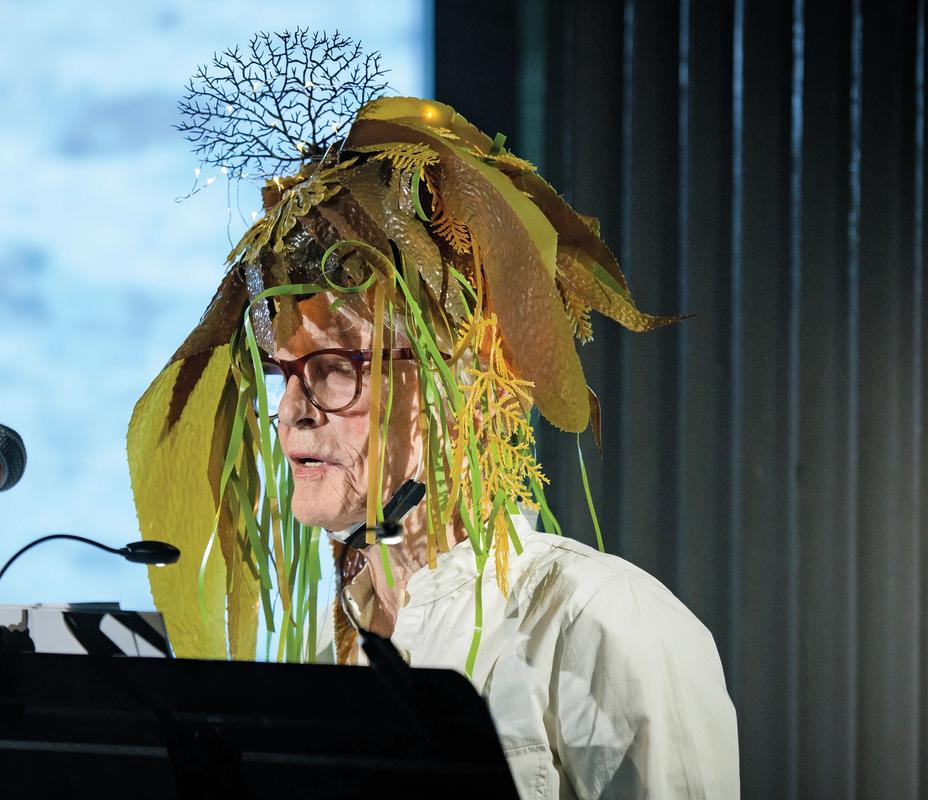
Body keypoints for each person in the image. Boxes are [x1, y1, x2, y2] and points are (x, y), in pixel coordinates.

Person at [127, 30, 739, 798]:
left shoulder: (599, 625)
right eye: (281, 375)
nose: (291, 417)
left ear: (459, 377)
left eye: (331, 370)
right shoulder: (323, 648)